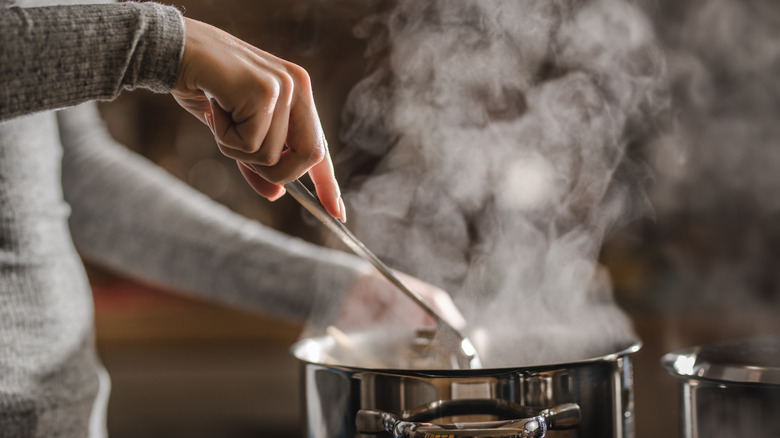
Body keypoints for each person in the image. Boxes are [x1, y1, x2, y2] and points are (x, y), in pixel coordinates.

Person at [0, 1, 464, 436]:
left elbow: (73, 178)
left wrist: (336, 287)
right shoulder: (152, 45)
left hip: (64, 413)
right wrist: (161, 46)